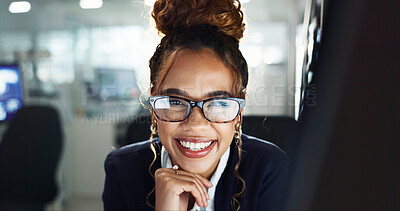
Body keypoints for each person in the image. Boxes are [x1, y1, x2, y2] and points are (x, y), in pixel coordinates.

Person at [102, 0, 288, 210]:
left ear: (239, 110)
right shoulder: (122, 170)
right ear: (154, 106)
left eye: (218, 102)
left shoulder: (269, 170)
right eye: (175, 101)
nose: (195, 124)